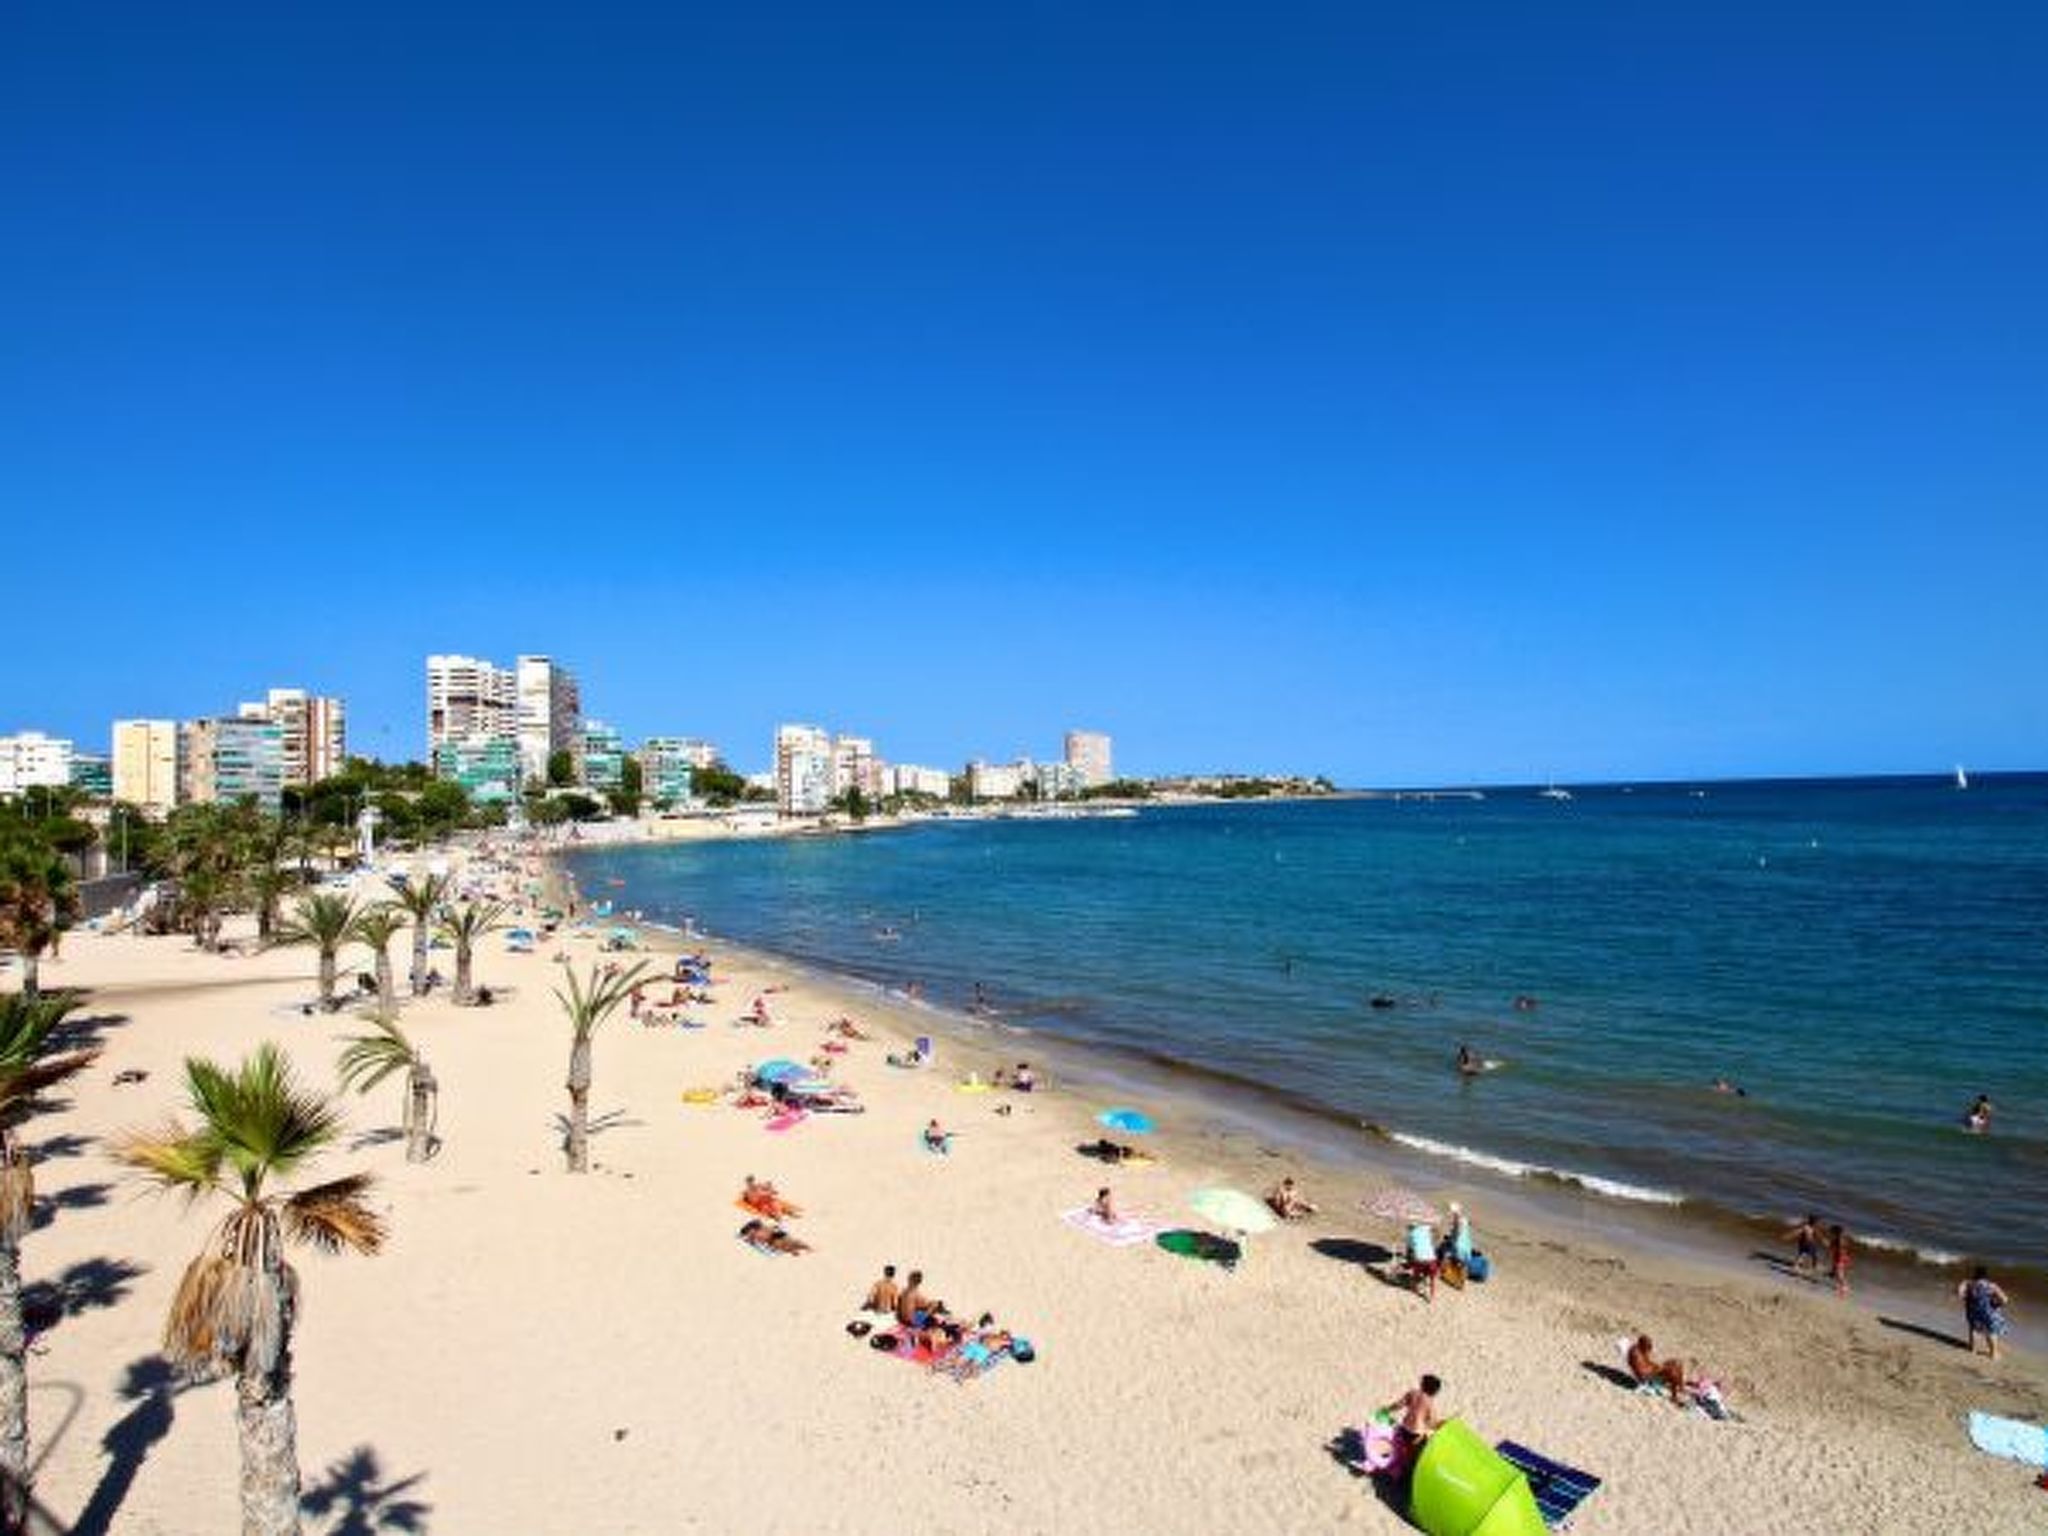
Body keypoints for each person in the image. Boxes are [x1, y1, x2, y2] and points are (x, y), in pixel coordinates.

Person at [1380, 1373, 1443, 1459]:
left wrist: (1387, 1409)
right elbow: (1432, 1422)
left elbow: (1398, 1405)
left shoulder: (1413, 1393)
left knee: (1400, 1447)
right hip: (1416, 1433)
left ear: (1422, 1384)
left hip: (1404, 1428)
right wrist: (1439, 1425)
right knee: (1417, 1454)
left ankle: (1392, 1458)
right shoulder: (1429, 1403)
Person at [1959, 1265, 2011, 1359]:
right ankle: (1993, 1354)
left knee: (1974, 1329)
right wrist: (1996, 1304)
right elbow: (2005, 1300)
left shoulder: (1969, 1284)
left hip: (1973, 1310)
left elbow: (1960, 1293)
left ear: (1975, 1274)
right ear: (1986, 1276)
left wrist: (1967, 1298)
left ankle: (1973, 1349)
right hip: (1988, 1311)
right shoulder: (1992, 1286)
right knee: (1991, 1331)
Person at [1627, 1335, 1689, 1405]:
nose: (1649, 1349)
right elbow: (1642, 1373)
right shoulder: (1636, 1354)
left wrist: (1656, 1366)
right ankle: (1675, 1396)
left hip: (1652, 1372)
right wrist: (1658, 1369)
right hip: (1647, 1377)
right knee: (1673, 1372)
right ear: (1642, 1344)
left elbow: (1648, 1363)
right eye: (1648, 1347)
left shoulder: (1641, 1350)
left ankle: (1681, 1387)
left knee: (1676, 1363)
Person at [1786, 1213, 1823, 1279]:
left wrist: (1824, 1241)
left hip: (1808, 1243)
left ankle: (1797, 1268)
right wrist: (1789, 1235)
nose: (1817, 1223)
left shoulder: (1812, 1227)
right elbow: (1797, 1231)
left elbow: (1819, 1236)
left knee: (1805, 1255)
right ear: (1813, 1221)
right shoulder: (1806, 1227)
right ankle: (1806, 1269)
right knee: (1807, 1256)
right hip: (1807, 1244)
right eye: (1816, 1222)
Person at [1828, 1223, 1851, 1297]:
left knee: (1840, 1274)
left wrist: (1839, 1258)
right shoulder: (1838, 1239)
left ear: (1836, 1233)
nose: (1830, 1234)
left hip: (1840, 1258)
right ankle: (1841, 1285)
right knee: (1839, 1273)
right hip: (1841, 1257)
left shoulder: (1839, 1240)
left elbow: (1840, 1250)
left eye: (1832, 1232)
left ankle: (1845, 1287)